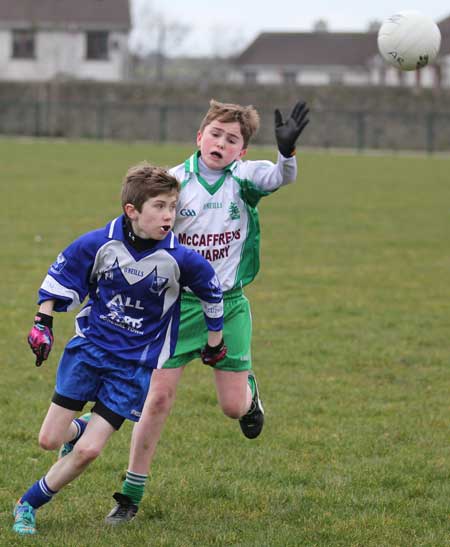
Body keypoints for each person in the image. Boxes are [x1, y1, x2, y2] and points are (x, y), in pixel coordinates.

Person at [105, 99, 309, 524]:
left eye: (232, 139)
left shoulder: (245, 179)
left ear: (242, 151)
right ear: (200, 138)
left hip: (228, 305)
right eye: (215, 134)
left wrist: (286, 153)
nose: (221, 142)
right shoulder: (175, 182)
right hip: (178, 308)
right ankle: (130, 495)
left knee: (233, 408)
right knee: (157, 398)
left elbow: (279, 177)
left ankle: (250, 393)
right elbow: (140, 227)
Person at [12, 162, 227, 536]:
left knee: (90, 451)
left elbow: (212, 292)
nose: (168, 215)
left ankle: (27, 503)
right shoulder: (101, 243)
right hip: (89, 352)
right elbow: (58, 278)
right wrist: (42, 323)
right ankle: (76, 430)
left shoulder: (181, 259)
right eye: (159, 206)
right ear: (133, 211)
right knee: (49, 440)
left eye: (173, 207)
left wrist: (214, 343)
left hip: (134, 368)